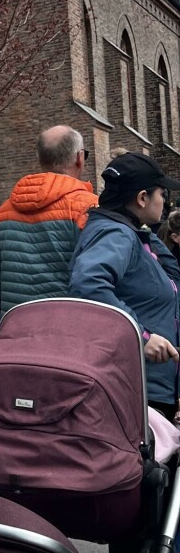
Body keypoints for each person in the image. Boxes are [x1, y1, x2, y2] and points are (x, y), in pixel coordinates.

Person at [70, 152, 180, 418]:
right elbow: (88, 284)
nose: (165, 202)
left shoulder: (128, 230)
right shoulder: (116, 233)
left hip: (147, 385)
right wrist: (140, 336)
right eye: (161, 194)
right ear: (143, 198)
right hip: (136, 388)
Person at [0, 125, 97, 313]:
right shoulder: (89, 207)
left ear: (39, 158)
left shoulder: (4, 211)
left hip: (17, 325)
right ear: (79, 158)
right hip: (70, 325)